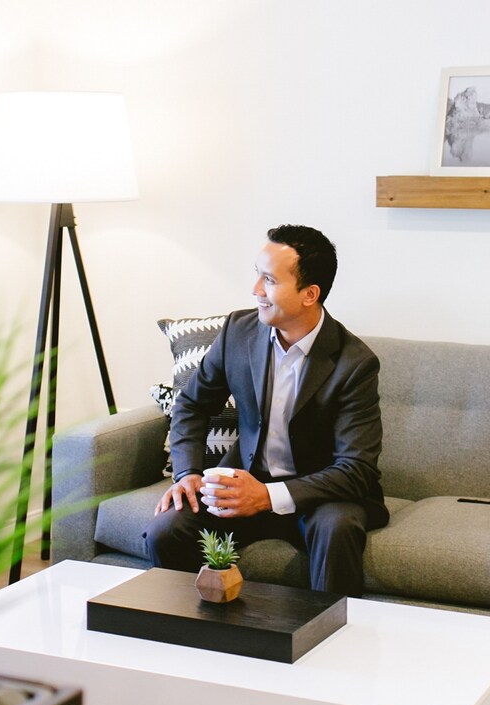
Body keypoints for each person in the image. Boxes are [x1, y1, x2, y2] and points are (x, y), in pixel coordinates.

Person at [144, 224, 388, 596]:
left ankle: (329, 641)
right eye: (257, 274)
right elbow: (192, 405)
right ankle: (192, 637)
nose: (255, 289)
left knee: (338, 529)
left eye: (269, 280)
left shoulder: (354, 363)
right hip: (244, 482)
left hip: (319, 496)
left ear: (310, 294)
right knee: (168, 528)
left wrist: (267, 496)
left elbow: (355, 469)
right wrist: (188, 473)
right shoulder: (238, 332)